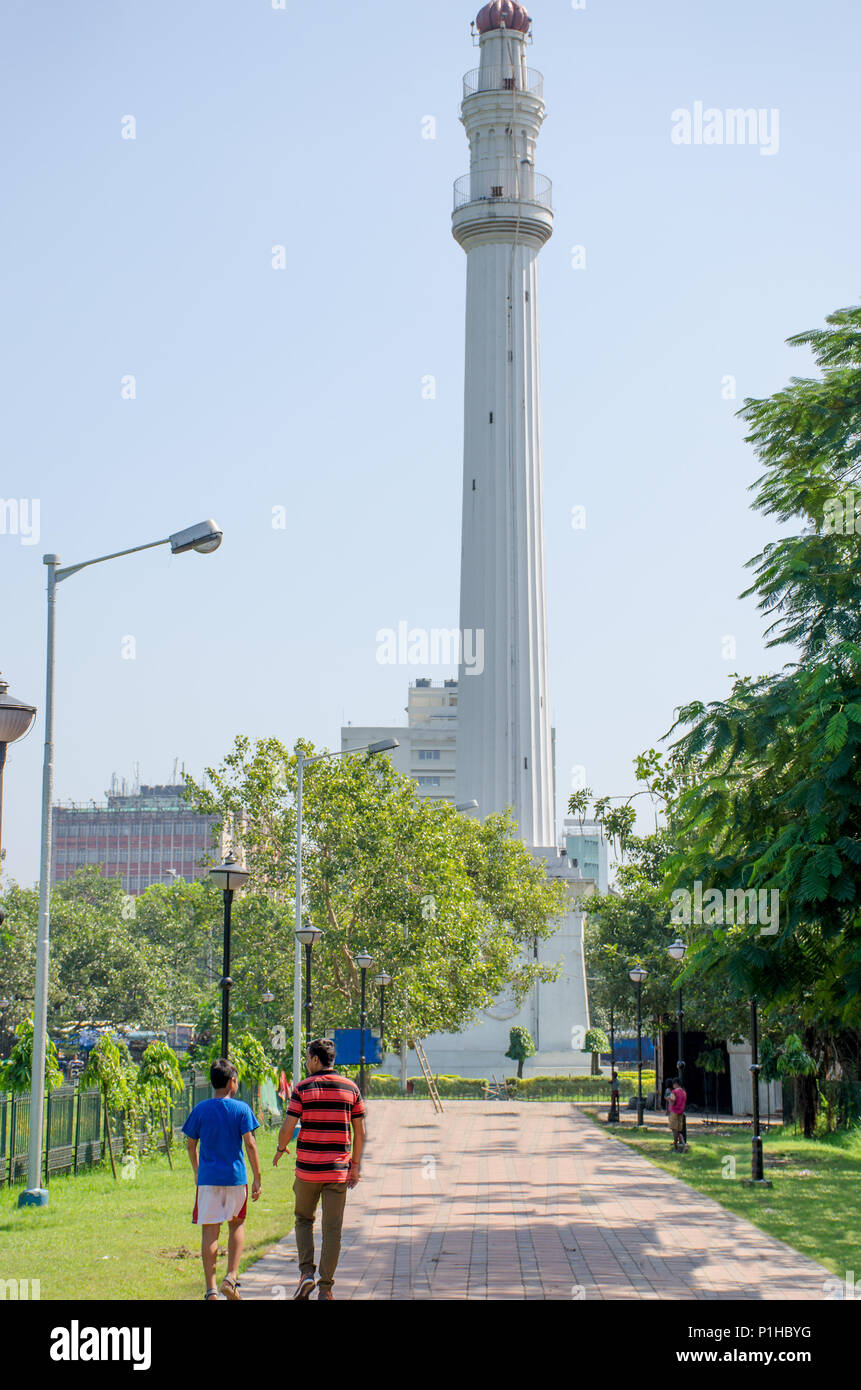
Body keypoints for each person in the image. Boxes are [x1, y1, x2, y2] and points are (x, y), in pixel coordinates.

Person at [273, 1037, 366, 1301]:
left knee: (303, 1219)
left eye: (307, 1058)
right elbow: (359, 1130)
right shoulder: (350, 1089)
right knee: (332, 1230)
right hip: (337, 1171)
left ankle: (306, 1274)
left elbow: (288, 1127)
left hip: (307, 1171)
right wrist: (355, 1166)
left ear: (315, 1059)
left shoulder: (302, 1089)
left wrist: (281, 1149)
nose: (306, 1062)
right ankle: (326, 1289)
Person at [182, 1058, 262, 1302]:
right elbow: (250, 1143)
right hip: (236, 1178)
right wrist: (257, 1177)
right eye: (236, 1079)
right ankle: (231, 1277)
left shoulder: (201, 1109)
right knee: (237, 1224)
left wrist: (197, 1169)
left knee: (210, 1231)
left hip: (208, 1180)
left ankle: (211, 1290)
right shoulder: (241, 1109)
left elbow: (191, 1143)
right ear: (231, 1083)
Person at [668, 1077, 688, 1152]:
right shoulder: (684, 1092)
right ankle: (684, 1144)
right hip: (681, 1112)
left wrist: (669, 1100)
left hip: (674, 1112)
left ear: (675, 1084)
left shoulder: (674, 1092)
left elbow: (673, 1101)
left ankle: (676, 1146)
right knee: (679, 1131)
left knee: (674, 1130)